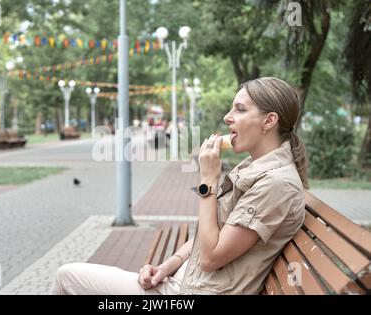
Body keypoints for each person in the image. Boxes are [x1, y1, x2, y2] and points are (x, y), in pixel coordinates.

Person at [51, 77, 308, 295]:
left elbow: (210, 258)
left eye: (240, 109)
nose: (227, 117)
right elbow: (215, 233)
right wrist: (168, 265)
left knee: (67, 277)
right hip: (182, 282)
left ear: (268, 121)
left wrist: (208, 182)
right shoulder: (254, 167)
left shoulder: (276, 184)